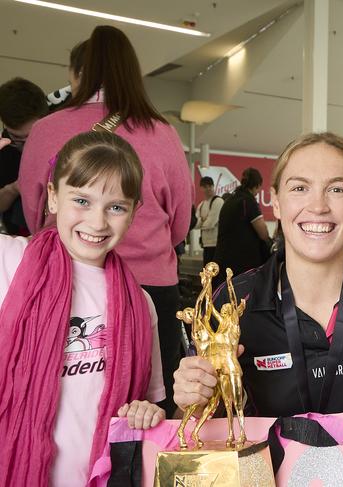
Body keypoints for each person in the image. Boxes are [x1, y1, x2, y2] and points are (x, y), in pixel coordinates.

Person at [173, 132, 343, 418]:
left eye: (337, 189)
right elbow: (195, 422)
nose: (318, 206)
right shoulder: (235, 302)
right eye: (300, 188)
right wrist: (191, 399)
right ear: (276, 203)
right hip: (273, 463)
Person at [18, 25, 193, 417]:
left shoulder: (46, 129)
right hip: (152, 281)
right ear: (133, 73)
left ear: (76, 75)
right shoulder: (163, 132)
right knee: (151, 408)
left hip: (64, 282)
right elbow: (181, 221)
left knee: (57, 400)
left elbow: (35, 215)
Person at [0, 131, 165, 487]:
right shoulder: (9, 261)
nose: (97, 222)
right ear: (53, 197)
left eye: (116, 207)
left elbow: (146, 404)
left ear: (134, 212)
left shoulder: (141, 305)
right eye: (82, 201)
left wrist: (147, 413)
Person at [0, 77, 48, 236]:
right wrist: (15, 188)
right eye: (18, 138)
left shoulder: (59, 142)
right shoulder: (5, 149)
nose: (27, 145)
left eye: (32, 136)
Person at [213, 167, 270, 280]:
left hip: (223, 258)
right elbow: (263, 233)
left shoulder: (230, 199)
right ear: (257, 185)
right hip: (242, 262)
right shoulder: (248, 201)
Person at [195, 176, 223, 266]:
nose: (208, 189)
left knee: (215, 274)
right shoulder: (201, 205)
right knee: (207, 275)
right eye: (205, 187)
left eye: (210, 186)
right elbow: (195, 224)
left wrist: (202, 220)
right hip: (206, 244)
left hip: (216, 244)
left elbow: (210, 223)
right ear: (201, 188)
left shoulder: (218, 201)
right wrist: (203, 220)